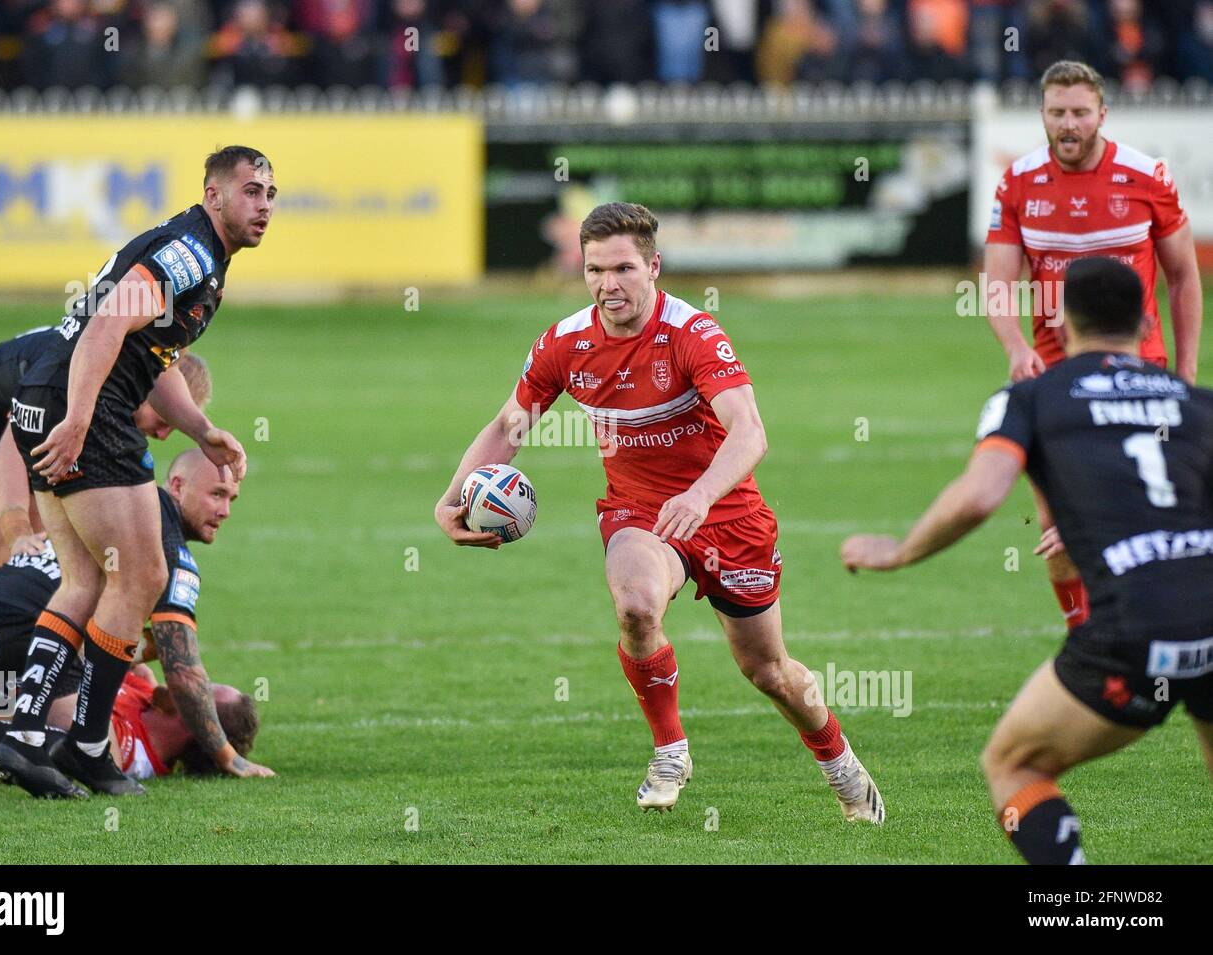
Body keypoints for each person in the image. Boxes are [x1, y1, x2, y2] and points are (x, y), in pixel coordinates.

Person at [436, 202, 883, 820]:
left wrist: (700, 495)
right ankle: (670, 748)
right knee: (637, 606)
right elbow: (509, 425)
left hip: (728, 517)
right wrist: (453, 496)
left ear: (653, 266)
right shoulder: (565, 343)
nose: (606, 284)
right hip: (637, 513)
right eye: (594, 269)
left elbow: (749, 433)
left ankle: (841, 764)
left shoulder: (693, 334)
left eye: (622, 268)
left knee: (768, 670)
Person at [841, 257, 1213, 864]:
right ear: (1148, 322)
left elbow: (982, 494)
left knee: (1012, 764)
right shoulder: (1197, 404)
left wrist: (900, 551)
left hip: (1138, 628)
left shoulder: (1034, 397)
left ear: (1063, 322)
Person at [0, 146, 275, 799]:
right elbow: (111, 320)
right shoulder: (191, 253)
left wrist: (203, 430)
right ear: (214, 195)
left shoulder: (205, 259)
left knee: (87, 577)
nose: (263, 205)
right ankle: (89, 744)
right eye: (251, 190)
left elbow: (157, 355)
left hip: (48, 393)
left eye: (271, 194)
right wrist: (82, 418)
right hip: (84, 404)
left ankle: (23, 736)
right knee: (143, 573)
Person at [984, 59, 1202, 629]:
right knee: (1056, 534)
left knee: (1144, 512)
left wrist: (1185, 369)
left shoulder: (1146, 175)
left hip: (1141, 368)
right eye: (1057, 112)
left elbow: (1183, 276)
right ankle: (1087, 638)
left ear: (1102, 114)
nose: (1069, 123)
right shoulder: (1017, 183)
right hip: (1056, 377)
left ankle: (1160, 631)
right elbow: (999, 283)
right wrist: (1013, 346)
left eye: (1080, 112)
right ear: (1043, 115)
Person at [0, 448, 273, 793]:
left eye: (232, 500)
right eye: (217, 494)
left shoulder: (109, 500)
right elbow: (183, 671)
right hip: (16, 633)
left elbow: (116, 643)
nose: (225, 511)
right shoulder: (169, 549)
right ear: (177, 486)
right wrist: (228, 757)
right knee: (92, 742)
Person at [0, 324, 211, 569]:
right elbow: (6, 463)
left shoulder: (119, 381)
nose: (163, 436)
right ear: (150, 389)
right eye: (164, 420)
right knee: (16, 559)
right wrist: (18, 533)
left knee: (52, 558)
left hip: (30, 413)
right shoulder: (80, 384)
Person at [0, 667, 260, 790]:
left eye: (202, 689)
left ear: (195, 724)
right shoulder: (147, 694)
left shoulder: (128, 755)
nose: (192, 678)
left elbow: (61, 698)